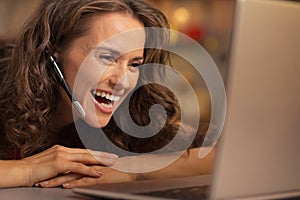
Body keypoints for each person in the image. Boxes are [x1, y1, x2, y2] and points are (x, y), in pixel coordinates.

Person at [0, 0, 215, 189]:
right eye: (106, 56)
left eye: (134, 64)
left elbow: (217, 156)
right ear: (53, 51)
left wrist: (132, 171)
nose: (121, 80)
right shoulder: (5, 86)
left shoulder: (131, 112)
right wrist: (26, 170)